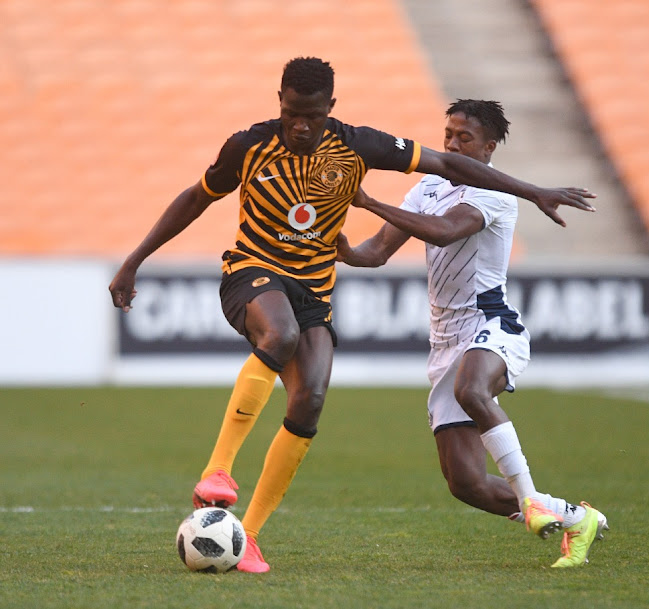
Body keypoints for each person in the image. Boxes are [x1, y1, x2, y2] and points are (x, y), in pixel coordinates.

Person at [108, 58, 596, 573]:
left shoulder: (370, 150)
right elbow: (198, 198)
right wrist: (134, 261)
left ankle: (248, 536)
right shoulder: (248, 145)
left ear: (330, 110)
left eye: (312, 117)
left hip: (379, 304)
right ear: (280, 101)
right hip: (253, 271)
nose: (300, 126)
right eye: (292, 113)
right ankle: (218, 471)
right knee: (280, 334)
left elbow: (445, 205)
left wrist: (531, 189)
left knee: (313, 399)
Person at [336, 99, 608, 568]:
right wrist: (338, 250)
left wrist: (371, 201)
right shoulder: (427, 187)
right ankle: (572, 516)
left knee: (472, 390)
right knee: (466, 484)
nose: (452, 144)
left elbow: (443, 233)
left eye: (465, 137)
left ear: (490, 146)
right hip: (444, 343)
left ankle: (532, 501)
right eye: (448, 134)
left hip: (491, 325)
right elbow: (377, 251)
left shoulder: (495, 196)